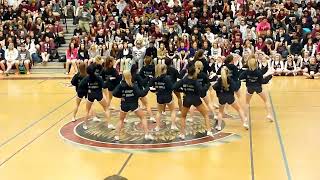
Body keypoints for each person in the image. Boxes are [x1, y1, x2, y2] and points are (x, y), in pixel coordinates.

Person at [173, 65, 213, 140]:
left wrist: (183, 90)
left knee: (183, 116)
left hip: (186, 99)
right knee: (206, 114)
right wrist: (207, 86)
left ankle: (182, 134)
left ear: (187, 72)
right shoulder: (196, 82)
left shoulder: (183, 80)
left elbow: (174, 87)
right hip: (196, 99)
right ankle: (209, 131)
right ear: (194, 73)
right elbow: (201, 91)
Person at [113, 70, 154, 141]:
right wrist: (148, 88)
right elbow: (141, 94)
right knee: (143, 117)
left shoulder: (120, 85)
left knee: (121, 120)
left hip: (124, 105)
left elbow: (114, 93)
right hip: (134, 105)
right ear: (130, 76)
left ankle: (117, 136)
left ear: (123, 77)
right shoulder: (133, 85)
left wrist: (121, 96)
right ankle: (147, 134)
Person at [78, 64, 114, 130]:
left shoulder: (86, 78)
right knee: (106, 108)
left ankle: (85, 125)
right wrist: (107, 81)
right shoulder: (98, 78)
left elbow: (80, 85)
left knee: (87, 111)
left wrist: (87, 89)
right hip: (99, 95)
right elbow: (104, 86)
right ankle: (109, 124)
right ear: (94, 71)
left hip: (90, 95)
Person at [239, 55, 274, 122]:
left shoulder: (246, 72)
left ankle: (245, 117)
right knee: (266, 101)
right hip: (258, 88)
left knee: (247, 103)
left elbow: (240, 77)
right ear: (256, 64)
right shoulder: (258, 72)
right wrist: (269, 76)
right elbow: (263, 81)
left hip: (249, 88)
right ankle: (269, 115)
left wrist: (246, 79)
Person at [150, 64, 178, 131]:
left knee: (159, 112)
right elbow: (171, 88)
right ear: (164, 70)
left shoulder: (154, 78)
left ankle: (157, 127)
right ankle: (173, 125)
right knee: (173, 111)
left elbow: (151, 88)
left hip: (159, 97)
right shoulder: (167, 78)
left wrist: (156, 91)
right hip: (168, 96)